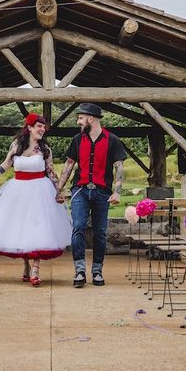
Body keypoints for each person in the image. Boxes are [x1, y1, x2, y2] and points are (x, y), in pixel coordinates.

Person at [0, 113, 71, 287]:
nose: (42, 129)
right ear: (30, 128)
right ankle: (26, 265)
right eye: (39, 126)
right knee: (21, 227)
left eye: (44, 127)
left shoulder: (45, 150)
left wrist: (59, 191)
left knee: (39, 228)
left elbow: (51, 172)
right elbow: (5, 165)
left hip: (40, 190)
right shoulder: (17, 145)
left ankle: (35, 270)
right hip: (18, 190)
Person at [56, 103, 127, 287]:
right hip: (80, 190)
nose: (78, 121)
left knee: (100, 232)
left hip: (102, 193)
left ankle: (97, 271)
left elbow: (119, 166)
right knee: (78, 227)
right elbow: (69, 165)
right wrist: (59, 190)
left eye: (80, 118)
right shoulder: (77, 139)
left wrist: (117, 192)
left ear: (90, 119)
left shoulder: (112, 140)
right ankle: (79, 270)